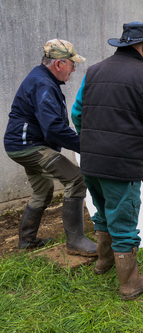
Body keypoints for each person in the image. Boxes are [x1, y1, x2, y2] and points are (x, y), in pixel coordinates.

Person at [71, 22, 143, 300]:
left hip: (91, 161)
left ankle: (104, 261)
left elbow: (77, 114)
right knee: (123, 218)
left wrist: (92, 140)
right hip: (122, 164)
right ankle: (130, 283)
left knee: (102, 210)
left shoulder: (93, 72)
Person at [3, 39, 97, 256]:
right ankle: (76, 242)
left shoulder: (42, 79)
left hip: (23, 144)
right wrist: (86, 146)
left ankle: (27, 241)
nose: (74, 69)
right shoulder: (43, 84)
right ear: (58, 64)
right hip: (29, 146)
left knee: (43, 190)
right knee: (76, 179)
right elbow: (54, 128)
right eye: (72, 64)